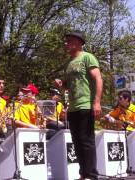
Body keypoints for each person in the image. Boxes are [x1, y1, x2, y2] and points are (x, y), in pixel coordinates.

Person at [55, 30, 103, 180]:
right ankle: (83, 174)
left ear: (78, 42)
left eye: (69, 41)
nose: (66, 43)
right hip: (73, 107)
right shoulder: (68, 63)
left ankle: (91, 175)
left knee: (86, 141)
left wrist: (96, 102)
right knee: (76, 141)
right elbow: (69, 87)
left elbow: (98, 79)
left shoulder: (88, 57)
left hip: (86, 105)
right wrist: (61, 84)